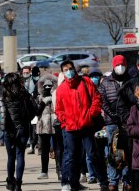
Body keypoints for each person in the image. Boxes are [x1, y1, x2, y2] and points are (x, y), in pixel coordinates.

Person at [55, 60, 109, 191]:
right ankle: (74, 184)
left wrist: (91, 113)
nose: (69, 71)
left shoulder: (85, 82)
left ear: (74, 68)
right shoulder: (61, 89)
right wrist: (66, 120)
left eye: (70, 68)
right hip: (70, 128)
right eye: (66, 70)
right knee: (72, 157)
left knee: (93, 154)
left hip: (87, 126)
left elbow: (97, 98)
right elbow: (58, 109)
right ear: (63, 72)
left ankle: (103, 182)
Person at [0, 72, 36, 191]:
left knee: (10, 156)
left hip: (9, 129)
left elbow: (3, 116)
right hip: (22, 128)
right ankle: (18, 183)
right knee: (20, 155)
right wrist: (26, 120)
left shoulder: (3, 94)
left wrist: (4, 131)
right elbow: (34, 110)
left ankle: (10, 181)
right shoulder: (24, 93)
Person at [98, 55, 131, 191]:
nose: (120, 67)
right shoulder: (105, 83)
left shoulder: (131, 81)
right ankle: (113, 180)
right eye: (118, 65)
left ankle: (126, 179)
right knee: (112, 152)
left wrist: (126, 116)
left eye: (122, 64)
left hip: (127, 121)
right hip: (111, 122)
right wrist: (113, 115)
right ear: (113, 66)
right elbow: (102, 101)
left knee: (126, 151)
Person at [35, 74, 58, 180]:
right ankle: (44, 171)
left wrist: (53, 99)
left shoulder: (57, 96)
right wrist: (42, 102)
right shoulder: (38, 97)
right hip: (43, 126)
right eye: (45, 86)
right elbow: (36, 112)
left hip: (55, 124)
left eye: (50, 86)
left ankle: (60, 171)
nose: (48, 88)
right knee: (44, 149)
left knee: (58, 149)